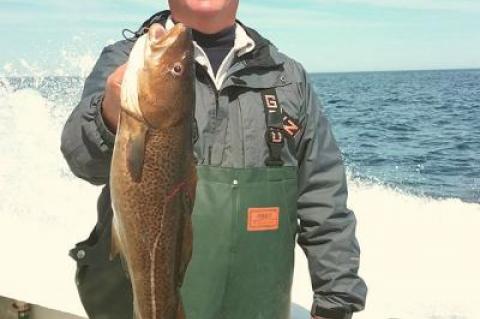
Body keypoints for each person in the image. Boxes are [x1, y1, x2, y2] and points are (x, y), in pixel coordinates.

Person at [60, 1, 367, 319]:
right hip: (139, 301)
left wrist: (336, 299)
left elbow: (324, 196)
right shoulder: (124, 61)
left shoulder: (286, 76)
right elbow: (82, 162)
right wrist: (109, 115)